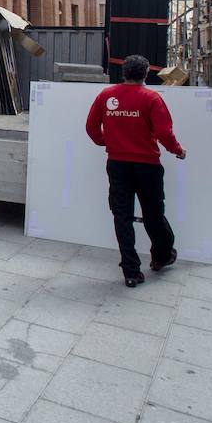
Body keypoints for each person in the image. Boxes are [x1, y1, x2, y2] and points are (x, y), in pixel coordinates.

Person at [84, 54, 186, 288]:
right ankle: (162, 257)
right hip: (148, 166)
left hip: (117, 164)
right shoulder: (151, 98)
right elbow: (164, 133)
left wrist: (106, 142)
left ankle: (131, 271)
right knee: (153, 213)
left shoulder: (106, 96)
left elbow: (91, 128)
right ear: (146, 73)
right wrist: (178, 151)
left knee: (122, 216)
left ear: (124, 73)